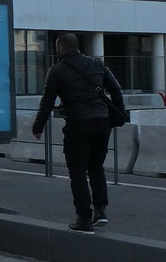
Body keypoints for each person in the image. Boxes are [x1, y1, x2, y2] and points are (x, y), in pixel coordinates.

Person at [32, 32, 124, 234]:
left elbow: (47, 102)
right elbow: (116, 90)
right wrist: (118, 114)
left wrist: (38, 127)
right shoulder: (97, 63)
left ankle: (84, 219)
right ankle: (101, 211)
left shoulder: (57, 71)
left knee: (78, 172)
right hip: (102, 123)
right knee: (96, 167)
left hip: (78, 124)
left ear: (60, 47)